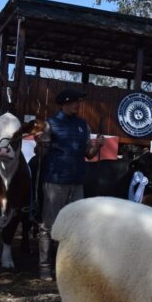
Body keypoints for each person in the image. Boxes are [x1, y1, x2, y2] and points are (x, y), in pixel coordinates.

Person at [35, 88, 104, 281]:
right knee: (48, 226)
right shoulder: (51, 124)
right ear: (65, 103)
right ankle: (44, 267)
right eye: (75, 102)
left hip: (77, 181)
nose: (78, 105)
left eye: (79, 102)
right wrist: (39, 144)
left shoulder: (83, 125)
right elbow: (41, 155)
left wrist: (96, 145)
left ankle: (67, 268)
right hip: (55, 181)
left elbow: (88, 154)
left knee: (76, 227)